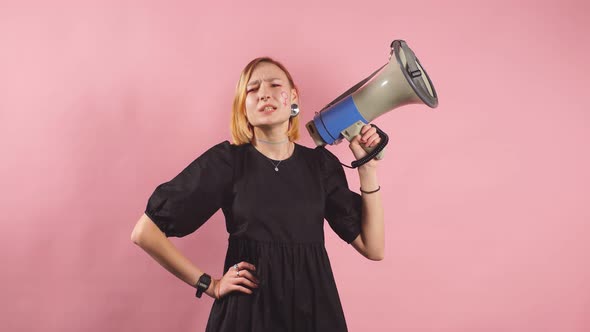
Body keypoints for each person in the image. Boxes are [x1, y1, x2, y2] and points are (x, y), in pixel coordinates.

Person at [131, 57, 385, 332]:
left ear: (293, 98)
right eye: (252, 89)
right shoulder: (227, 162)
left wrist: (367, 169)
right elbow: (145, 232)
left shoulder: (321, 166)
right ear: (243, 107)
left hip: (314, 313)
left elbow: (374, 248)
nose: (265, 93)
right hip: (246, 317)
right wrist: (209, 284)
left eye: (275, 85)